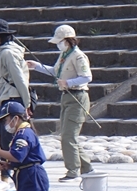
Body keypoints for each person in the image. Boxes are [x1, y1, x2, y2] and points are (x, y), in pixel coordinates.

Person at [27, 25, 94, 182]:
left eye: (60, 41)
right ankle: (87, 167)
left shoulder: (78, 56)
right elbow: (56, 72)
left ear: (68, 40)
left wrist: (68, 83)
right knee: (67, 135)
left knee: (68, 136)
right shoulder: (64, 55)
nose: (58, 44)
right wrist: (36, 67)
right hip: (67, 97)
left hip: (78, 97)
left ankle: (73, 171)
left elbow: (86, 77)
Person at [0, 18, 32, 191]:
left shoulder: (7, 53)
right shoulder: (7, 51)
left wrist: (26, 104)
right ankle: (11, 177)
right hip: (11, 100)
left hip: (13, 101)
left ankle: (6, 179)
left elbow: (19, 79)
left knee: (7, 140)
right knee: (8, 139)